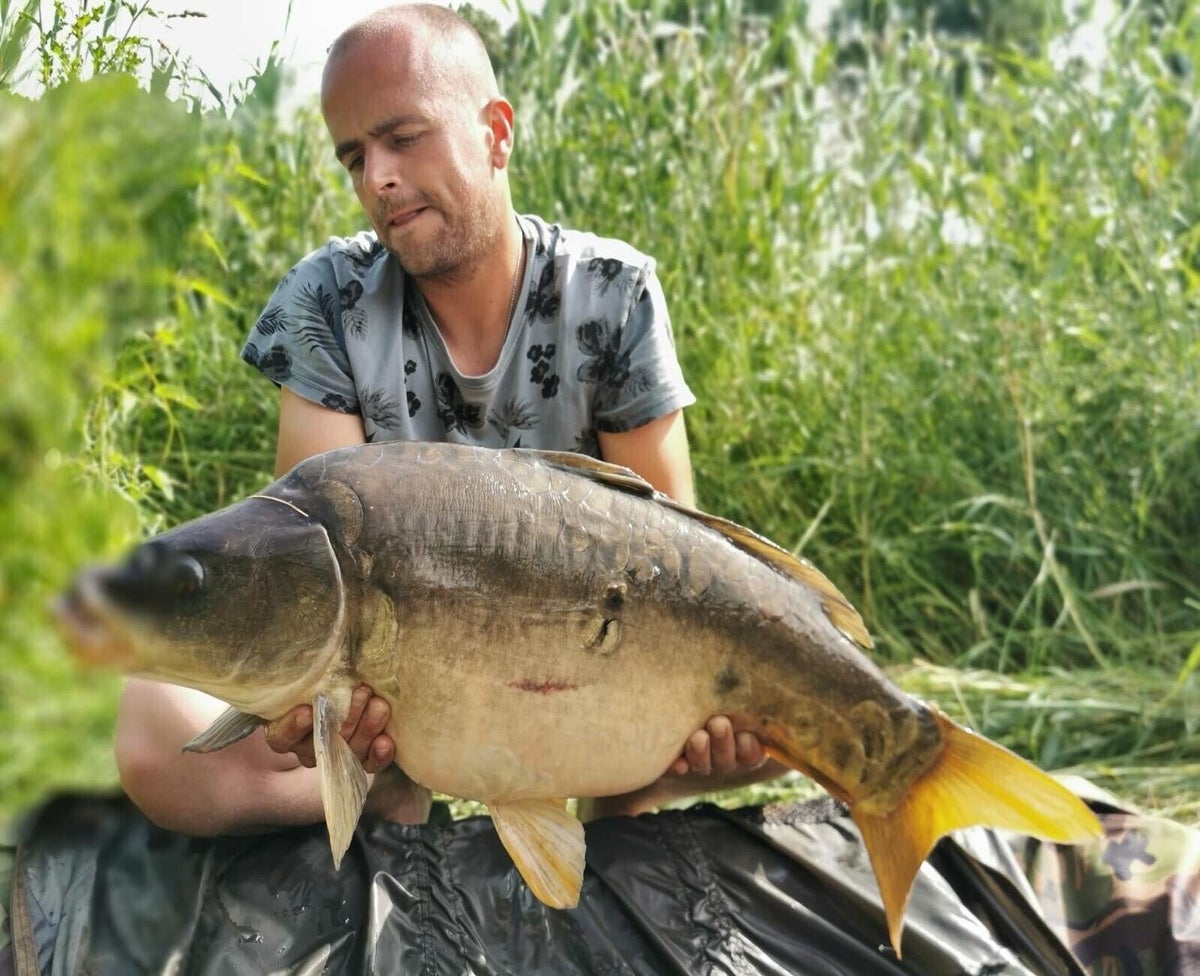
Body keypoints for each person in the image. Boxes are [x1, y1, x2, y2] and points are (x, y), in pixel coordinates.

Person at [115, 2, 782, 837]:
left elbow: (677, 558)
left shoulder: (613, 293)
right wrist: (310, 706)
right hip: (406, 704)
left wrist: (701, 726)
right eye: (354, 157)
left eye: (402, 139)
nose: (377, 179)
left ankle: (616, 811)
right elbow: (312, 564)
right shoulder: (327, 299)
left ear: (496, 133)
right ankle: (395, 796)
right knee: (152, 730)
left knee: (777, 705)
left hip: (589, 683)